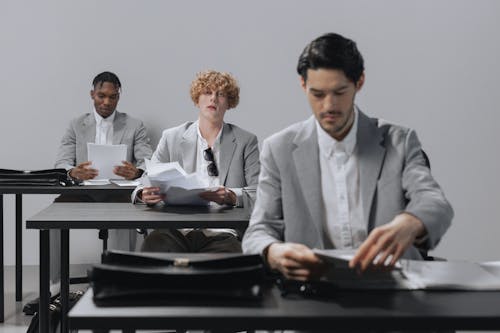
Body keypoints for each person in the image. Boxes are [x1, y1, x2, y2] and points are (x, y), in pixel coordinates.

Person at [242, 33, 453, 281]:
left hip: (393, 287)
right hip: (312, 290)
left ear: (359, 82)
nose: (329, 106)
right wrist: (274, 252)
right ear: (303, 85)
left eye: (340, 92)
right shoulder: (278, 149)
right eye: (317, 94)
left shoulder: (400, 141)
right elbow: (258, 230)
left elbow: (434, 201)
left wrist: (411, 222)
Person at [134, 70, 260, 253]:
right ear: (197, 98)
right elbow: (143, 182)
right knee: (154, 247)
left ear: (229, 102)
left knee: (229, 261)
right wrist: (143, 194)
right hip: (175, 230)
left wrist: (232, 196)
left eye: (221, 94)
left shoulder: (245, 141)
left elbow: (259, 194)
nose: (213, 99)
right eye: (207, 92)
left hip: (223, 232)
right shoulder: (172, 138)